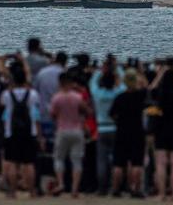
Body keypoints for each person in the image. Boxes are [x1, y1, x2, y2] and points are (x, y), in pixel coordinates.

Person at [1, 56, 41, 199]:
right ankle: (31, 191)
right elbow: (36, 115)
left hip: (11, 132)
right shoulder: (33, 94)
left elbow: (3, 106)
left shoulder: (6, 94)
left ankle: (12, 191)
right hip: (29, 132)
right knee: (29, 163)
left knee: (12, 162)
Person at [150, 61, 173, 200]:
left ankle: (162, 193)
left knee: (161, 163)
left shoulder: (159, 94)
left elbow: (151, 88)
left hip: (161, 129)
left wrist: (161, 72)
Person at [50, 71, 90, 197]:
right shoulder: (77, 97)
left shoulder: (56, 97)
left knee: (59, 158)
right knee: (76, 160)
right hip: (77, 130)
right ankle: (74, 188)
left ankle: (61, 183)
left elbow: (52, 114)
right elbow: (87, 111)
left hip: (62, 130)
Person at [89, 57, 124, 195]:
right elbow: (123, 85)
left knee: (102, 160)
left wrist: (100, 70)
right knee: (116, 160)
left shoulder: (98, 94)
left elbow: (92, 83)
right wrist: (117, 68)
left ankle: (102, 188)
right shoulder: (117, 93)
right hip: (115, 127)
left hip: (102, 128)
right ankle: (116, 187)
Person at [110, 68, 146, 197]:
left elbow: (112, 114)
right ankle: (136, 188)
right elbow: (147, 87)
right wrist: (140, 74)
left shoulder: (120, 97)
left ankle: (116, 188)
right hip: (137, 131)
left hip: (122, 131)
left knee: (118, 163)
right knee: (137, 163)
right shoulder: (140, 96)